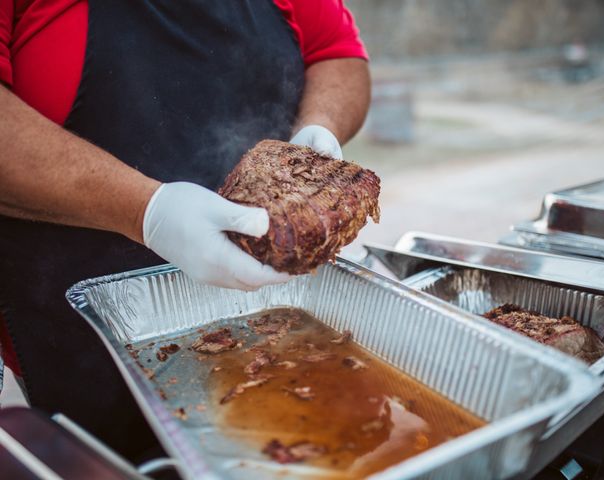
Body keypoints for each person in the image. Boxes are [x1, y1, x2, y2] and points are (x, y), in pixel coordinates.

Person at [0, 0, 370, 460]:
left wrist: (319, 129)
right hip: (78, 332)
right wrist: (146, 210)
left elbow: (336, 51)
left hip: (276, 309)